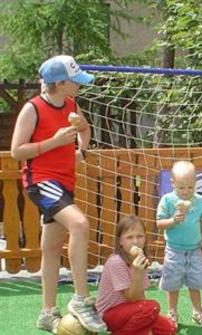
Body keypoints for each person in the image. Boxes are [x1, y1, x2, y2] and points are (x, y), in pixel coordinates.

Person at [10, 55, 107, 333]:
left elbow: (85, 130)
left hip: (65, 182)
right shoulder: (33, 108)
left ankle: (47, 312)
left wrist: (81, 149)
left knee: (51, 248)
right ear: (61, 83)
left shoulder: (73, 105)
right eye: (75, 82)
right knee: (79, 224)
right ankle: (80, 299)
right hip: (41, 181)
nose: (79, 86)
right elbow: (17, 151)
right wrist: (55, 142)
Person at [95, 215, 176, 335]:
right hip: (109, 314)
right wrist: (137, 273)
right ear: (120, 241)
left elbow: (140, 297)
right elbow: (131, 298)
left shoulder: (139, 258)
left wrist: (147, 321)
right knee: (152, 307)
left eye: (140, 236)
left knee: (169, 328)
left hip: (131, 311)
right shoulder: (116, 262)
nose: (136, 241)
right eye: (129, 237)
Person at [156, 161, 202, 328]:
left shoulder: (199, 200)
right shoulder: (168, 200)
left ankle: (197, 311)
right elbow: (159, 223)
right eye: (182, 188)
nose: (186, 191)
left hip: (194, 250)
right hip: (174, 250)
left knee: (194, 282)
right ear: (173, 183)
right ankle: (172, 312)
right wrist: (173, 220)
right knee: (172, 283)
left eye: (190, 187)